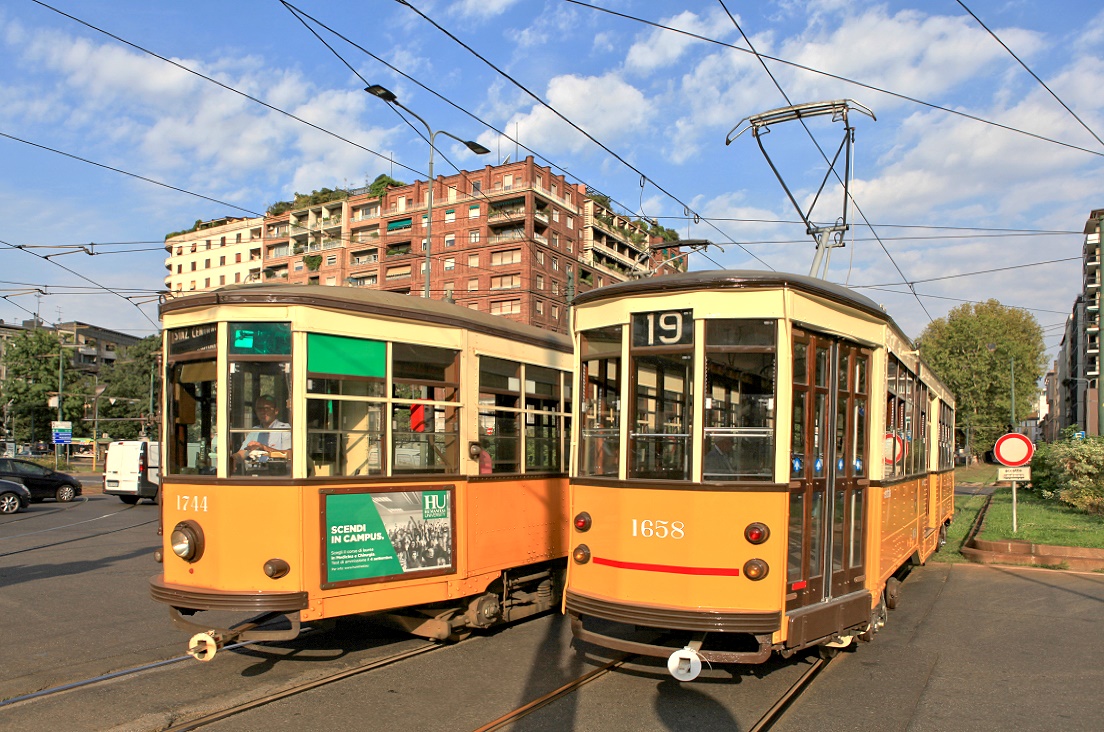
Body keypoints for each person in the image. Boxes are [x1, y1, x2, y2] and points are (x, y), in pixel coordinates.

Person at [234, 395, 291, 470]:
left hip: (278, 474)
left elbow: (290, 454)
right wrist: (233, 459)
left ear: (276, 411)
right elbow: (243, 453)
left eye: (267, 408)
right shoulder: (254, 430)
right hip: (256, 474)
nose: (263, 412)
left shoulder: (284, 429)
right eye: (259, 409)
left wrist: (264, 448)